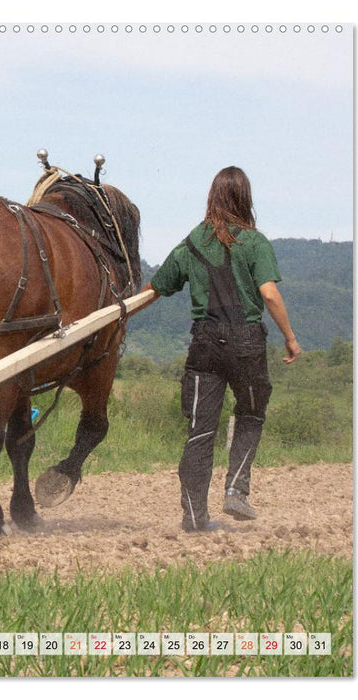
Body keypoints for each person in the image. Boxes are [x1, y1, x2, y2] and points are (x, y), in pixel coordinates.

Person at [144, 166, 300, 532]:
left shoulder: (192, 242)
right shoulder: (255, 242)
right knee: (250, 414)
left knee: (200, 430)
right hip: (246, 343)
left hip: (205, 345)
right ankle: (235, 489)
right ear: (245, 198)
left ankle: (195, 518)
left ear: (212, 197)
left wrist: (120, 312)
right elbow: (268, 293)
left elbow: (156, 288)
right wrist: (290, 337)